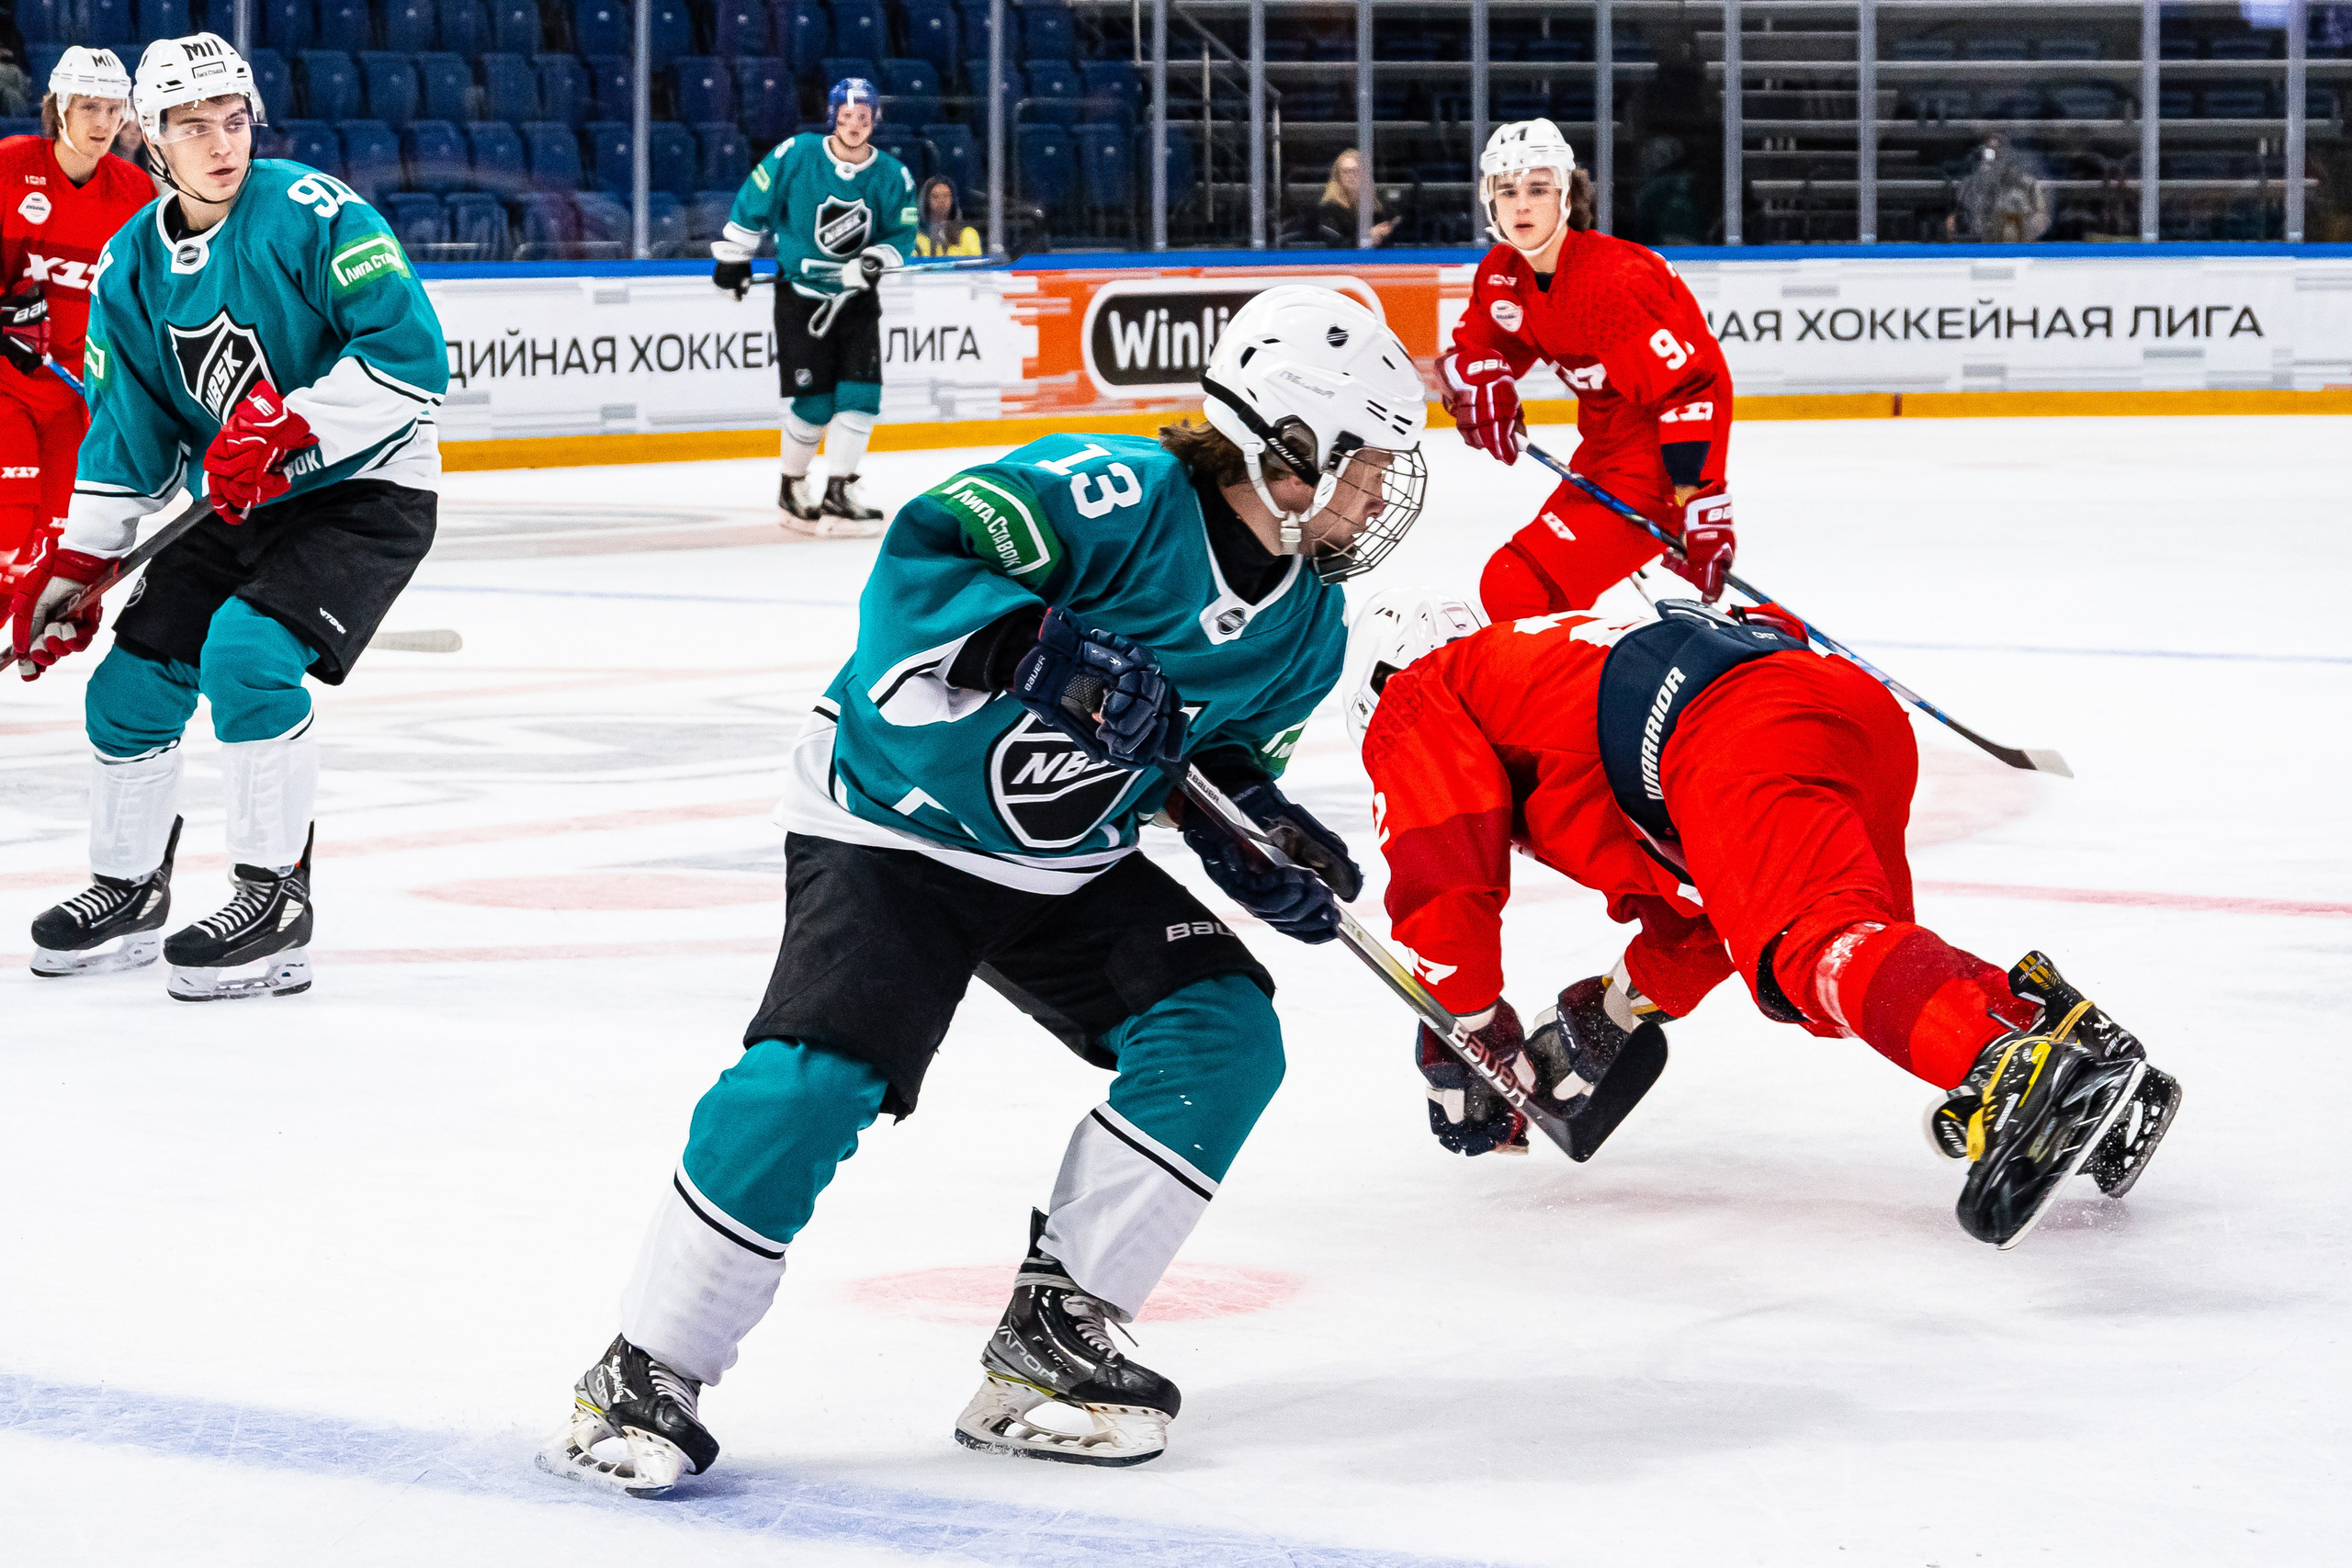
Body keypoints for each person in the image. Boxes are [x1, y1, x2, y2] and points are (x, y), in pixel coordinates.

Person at [537, 286, 1430, 1495]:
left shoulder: (1306, 629)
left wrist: (1254, 832)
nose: (1382, 495)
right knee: (817, 1075)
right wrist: (1029, 646)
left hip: (1064, 860)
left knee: (1222, 1032)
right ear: (1288, 447)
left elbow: (1206, 766)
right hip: (892, 819)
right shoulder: (1110, 494)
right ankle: (645, 1366)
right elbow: (924, 551)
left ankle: (1052, 1338)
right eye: (1368, 464)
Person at [1340, 590, 2182, 1247]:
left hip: (1731, 726)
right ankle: (2061, 1037)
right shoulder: (1543, 667)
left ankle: (2014, 1069)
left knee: (1811, 947)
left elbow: (1439, 862)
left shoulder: (1420, 690)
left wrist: (1462, 1023)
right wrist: (1620, 1005)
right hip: (1839, 710)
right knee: (1842, 958)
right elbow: (1711, 908)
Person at [8, 33, 447, 1000]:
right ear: (154, 142)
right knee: (126, 689)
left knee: (245, 658)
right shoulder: (131, 265)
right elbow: (129, 434)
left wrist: (295, 426)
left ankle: (275, 898)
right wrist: (78, 569)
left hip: (363, 492)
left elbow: (413, 362)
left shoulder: (314, 211)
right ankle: (127, 888)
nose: (221, 144)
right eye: (193, 126)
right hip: (238, 497)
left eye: (234, 120)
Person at [1437, 118, 1737, 621]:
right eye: (1507, 191)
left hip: (1656, 472)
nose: (1522, 204)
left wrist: (1697, 501)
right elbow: (1474, 351)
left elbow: (1693, 390)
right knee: (1537, 602)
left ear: (1568, 196)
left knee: (1516, 586)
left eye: (1538, 188)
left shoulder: (1613, 283)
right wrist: (1477, 379)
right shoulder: (1502, 275)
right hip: (1599, 455)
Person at [711, 76, 916, 535]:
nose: (855, 126)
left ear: (874, 120)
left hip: (857, 301)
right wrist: (734, 258)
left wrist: (872, 260)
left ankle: (839, 490)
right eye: (847, 117)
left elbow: (901, 237)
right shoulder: (798, 154)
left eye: (863, 118)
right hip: (801, 298)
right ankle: (792, 484)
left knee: (861, 396)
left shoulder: (892, 175)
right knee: (815, 403)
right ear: (833, 118)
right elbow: (753, 200)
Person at [1, 47, 152, 597]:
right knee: (9, 529)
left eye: (115, 110)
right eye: (90, 106)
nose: (104, 123)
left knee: (54, 541)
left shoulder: (133, 191)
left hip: (77, 394)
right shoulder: (11, 164)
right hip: (7, 385)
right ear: (58, 107)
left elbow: (142, 298)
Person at [1312, 148, 1398, 248]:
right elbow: (1334, 248)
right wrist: (1366, 237)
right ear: (1338, 176)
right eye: (1346, 171)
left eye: (1356, 171)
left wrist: (1388, 230)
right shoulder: (1329, 208)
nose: (1351, 176)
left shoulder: (1377, 204)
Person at [912, 175, 979, 257]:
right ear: (926, 202)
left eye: (946, 196)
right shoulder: (916, 238)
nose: (942, 201)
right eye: (935, 197)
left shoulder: (968, 234)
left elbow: (976, 267)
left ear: (953, 200)